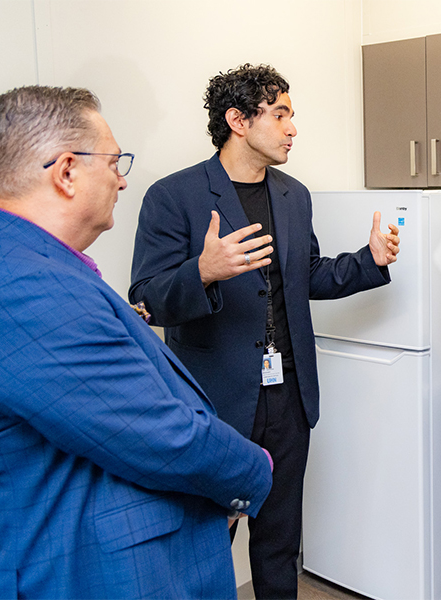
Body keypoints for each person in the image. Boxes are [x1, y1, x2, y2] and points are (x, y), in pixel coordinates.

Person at [0, 86, 273, 599]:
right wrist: (252, 470)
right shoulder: (25, 290)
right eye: (114, 162)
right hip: (88, 573)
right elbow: (160, 433)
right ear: (66, 171)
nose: (122, 178)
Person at [129, 63, 400, 599]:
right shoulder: (173, 195)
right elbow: (145, 298)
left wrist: (368, 261)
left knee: (279, 539)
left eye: (291, 116)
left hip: (290, 398)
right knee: (205, 539)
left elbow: (308, 275)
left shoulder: (294, 195)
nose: (292, 128)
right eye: (279, 115)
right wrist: (202, 271)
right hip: (214, 401)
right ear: (237, 120)